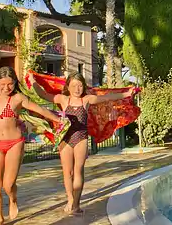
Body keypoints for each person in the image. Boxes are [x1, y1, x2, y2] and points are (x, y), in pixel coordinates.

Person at [29, 72, 135, 215]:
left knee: (78, 171)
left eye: (80, 85)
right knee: (68, 172)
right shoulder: (63, 99)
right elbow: (43, 95)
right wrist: (32, 81)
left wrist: (126, 93)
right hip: (65, 139)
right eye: (74, 85)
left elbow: (107, 97)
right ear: (68, 86)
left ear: (83, 87)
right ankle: (70, 200)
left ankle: (76, 204)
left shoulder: (86, 99)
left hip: (81, 138)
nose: (77, 89)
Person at [0, 67, 63, 225]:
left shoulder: (18, 98)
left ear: (15, 83)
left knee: (8, 184)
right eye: (2, 84)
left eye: (10, 84)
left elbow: (39, 109)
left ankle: (13, 199)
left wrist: (58, 120)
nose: (6, 88)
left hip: (15, 143)